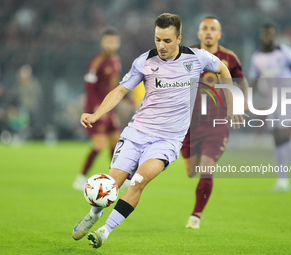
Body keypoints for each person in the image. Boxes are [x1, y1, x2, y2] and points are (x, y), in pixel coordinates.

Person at [72, 13, 245, 249]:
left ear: (178, 39)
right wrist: (96, 114)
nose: (161, 46)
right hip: (136, 133)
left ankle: (105, 231)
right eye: (157, 40)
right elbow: (121, 91)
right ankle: (94, 213)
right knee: (111, 184)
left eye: (166, 41)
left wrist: (231, 101)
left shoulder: (196, 57)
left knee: (138, 182)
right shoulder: (145, 61)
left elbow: (223, 69)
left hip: (167, 140)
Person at [181, 16, 249, 229]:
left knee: (206, 168)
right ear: (199, 33)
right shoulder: (186, 54)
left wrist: (241, 102)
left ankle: (196, 216)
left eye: (213, 29)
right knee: (190, 171)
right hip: (189, 123)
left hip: (216, 123)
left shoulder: (230, 58)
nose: (209, 32)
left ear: (219, 34)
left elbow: (242, 82)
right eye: (205, 29)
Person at [249, 23, 291, 192]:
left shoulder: (286, 53)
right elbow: (254, 82)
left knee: (285, 135)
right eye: (264, 34)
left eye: (270, 34)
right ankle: (282, 181)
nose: (267, 37)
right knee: (278, 139)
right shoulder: (257, 57)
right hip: (272, 102)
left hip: (289, 99)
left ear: (275, 35)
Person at [73, 27, 125, 190]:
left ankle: (116, 178)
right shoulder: (96, 61)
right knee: (99, 145)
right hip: (96, 110)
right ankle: (80, 178)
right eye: (109, 41)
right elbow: (89, 87)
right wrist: (97, 110)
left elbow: (115, 87)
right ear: (103, 42)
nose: (111, 44)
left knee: (116, 143)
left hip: (109, 109)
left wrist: (122, 104)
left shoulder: (116, 61)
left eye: (114, 41)